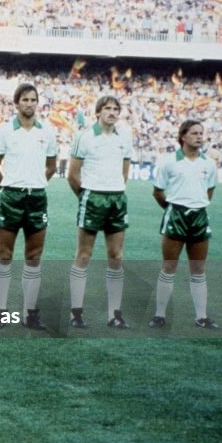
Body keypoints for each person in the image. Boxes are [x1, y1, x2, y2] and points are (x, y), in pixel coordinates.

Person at [0, 83, 58, 330]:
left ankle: (30, 312)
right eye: (25, 100)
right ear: (16, 103)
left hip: (37, 198)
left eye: (33, 99)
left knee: (34, 256)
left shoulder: (47, 132)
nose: (29, 104)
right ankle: (0, 310)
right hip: (10, 198)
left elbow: (51, 166)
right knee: (5, 255)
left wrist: (35, 183)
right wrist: (9, 188)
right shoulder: (5, 131)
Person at [66, 96, 132, 329]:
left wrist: (115, 190)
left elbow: (124, 172)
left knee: (116, 256)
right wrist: (86, 197)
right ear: (98, 112)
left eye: (116, 109)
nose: (112, 112)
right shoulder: (85, 136)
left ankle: (114, 314)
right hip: (92, 197)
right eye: (108, 109)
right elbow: (72, 175)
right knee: (84, 255)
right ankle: (76, 312)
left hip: (117, 199)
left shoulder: (125, 136)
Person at [150, 120, 218, 330]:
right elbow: (158, 192)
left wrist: (195, 206)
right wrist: (173, 210)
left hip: (199, 216)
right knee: (168, 267)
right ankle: (160, 315)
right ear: (183, 136)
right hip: (176, 215)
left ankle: (201, 316)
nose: (199, 137)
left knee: (198, 269)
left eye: (201, 133)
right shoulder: (169, 162)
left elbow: (209, 192)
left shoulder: (209, 163)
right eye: (195, 133)